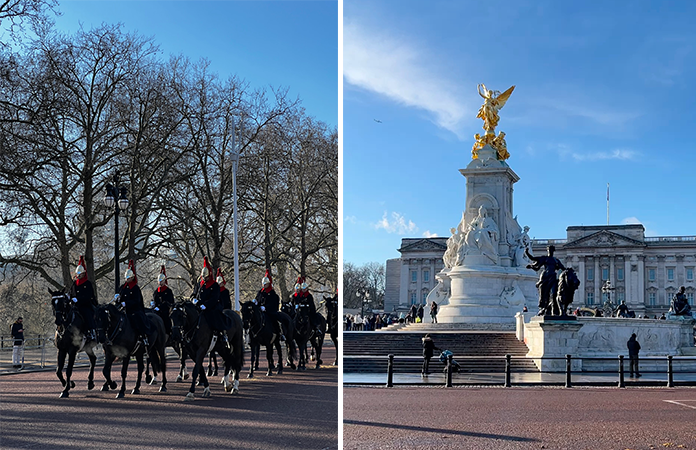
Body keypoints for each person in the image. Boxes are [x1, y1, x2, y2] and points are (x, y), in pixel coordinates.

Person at [192, 256, 232, 346]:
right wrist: (193, 299)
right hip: (199, 306)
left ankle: (221, 334)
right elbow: (194, 293)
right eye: (203, 277)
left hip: (211, 307)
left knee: (215, 316)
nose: (204, 279)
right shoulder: (199, 284)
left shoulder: (214, 285)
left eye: (205, 277)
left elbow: (214, 298)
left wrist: (206, 305)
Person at [117, 260, 151, 346]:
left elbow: (137, 301)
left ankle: (143, 337)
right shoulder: (122, 288)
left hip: (134, 310)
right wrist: (117, 299)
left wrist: (126, 304)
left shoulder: (135, 288)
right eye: (126, 278)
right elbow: (120, 298)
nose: (127, 279)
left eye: (128, 278)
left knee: (138, 319)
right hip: (123, 310)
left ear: (132, 277)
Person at [526, 245, 566, 316]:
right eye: (548, 250)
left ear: (553, 251)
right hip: (545, 277)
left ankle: (554, 310)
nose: (549, 251)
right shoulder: (544, 258)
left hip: (553, 277)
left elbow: (563, 268)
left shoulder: (556, 260)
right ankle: (543, 308)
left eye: (551, 250)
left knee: (554, 293)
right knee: (544, 293)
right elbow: (533, 258)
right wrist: (527, 253)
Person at [255, 270, 290, 342]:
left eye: (266, 284)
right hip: (260, 311)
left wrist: (266, 308)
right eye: (263, 284)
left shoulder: (273, 294)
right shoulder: (260, 292)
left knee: (276, 320)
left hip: (270, 312)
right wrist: (255, 302)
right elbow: (258, 299)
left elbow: (273, 304)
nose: (264, 285)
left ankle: (280, 334)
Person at [69, 255, 98, 341]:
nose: (78, 275)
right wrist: (70, 297)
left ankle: (91, 332)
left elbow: (89, 296)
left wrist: (79, 300)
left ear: (83, 273)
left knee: (87, 314)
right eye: (77, 273)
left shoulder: (87, 284)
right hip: (75, 305)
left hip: (85, 305)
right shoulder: (74, 283)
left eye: (79, 273)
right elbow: (71, 292)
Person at [152, 265, 175, 336]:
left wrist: (161, 307)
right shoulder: (156, 292)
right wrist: (153, 305)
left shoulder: (168, 291)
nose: (160, 282)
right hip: (157, 311)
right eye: (159, 281)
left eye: (161, 281)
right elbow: (155, 300)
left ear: (164, 281)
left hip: (165, 312)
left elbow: (170, 302)